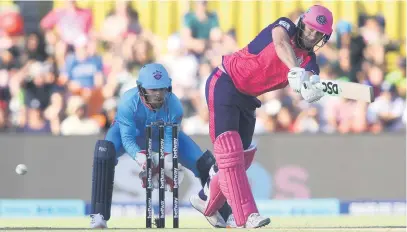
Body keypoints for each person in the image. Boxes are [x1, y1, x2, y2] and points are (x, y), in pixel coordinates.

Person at [189, 5, 333, 228]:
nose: (312, 36)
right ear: (302, 22)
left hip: (247, 98)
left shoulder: (310, 62)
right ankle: (246, 216)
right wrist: (296, 70)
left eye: (318, 34)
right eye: (310, 29)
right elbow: (280, 43)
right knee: (230, 153)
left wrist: (311, 88)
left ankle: (204, 199)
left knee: (240, 159)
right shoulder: (284, 26)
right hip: (225, 82)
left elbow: (311, 79)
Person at [89, 63, 230, 228]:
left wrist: (166, 163)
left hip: (161, 137)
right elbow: (127, 139)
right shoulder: (128, 101)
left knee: (205, 164)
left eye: (161, 89)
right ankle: (99, 216)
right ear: (140, 88)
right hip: (128, 136)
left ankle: (224, 215)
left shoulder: (175, 105)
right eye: (152, 90)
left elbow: (170, 139)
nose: (157, 95)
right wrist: (144, 160)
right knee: (103, 151)